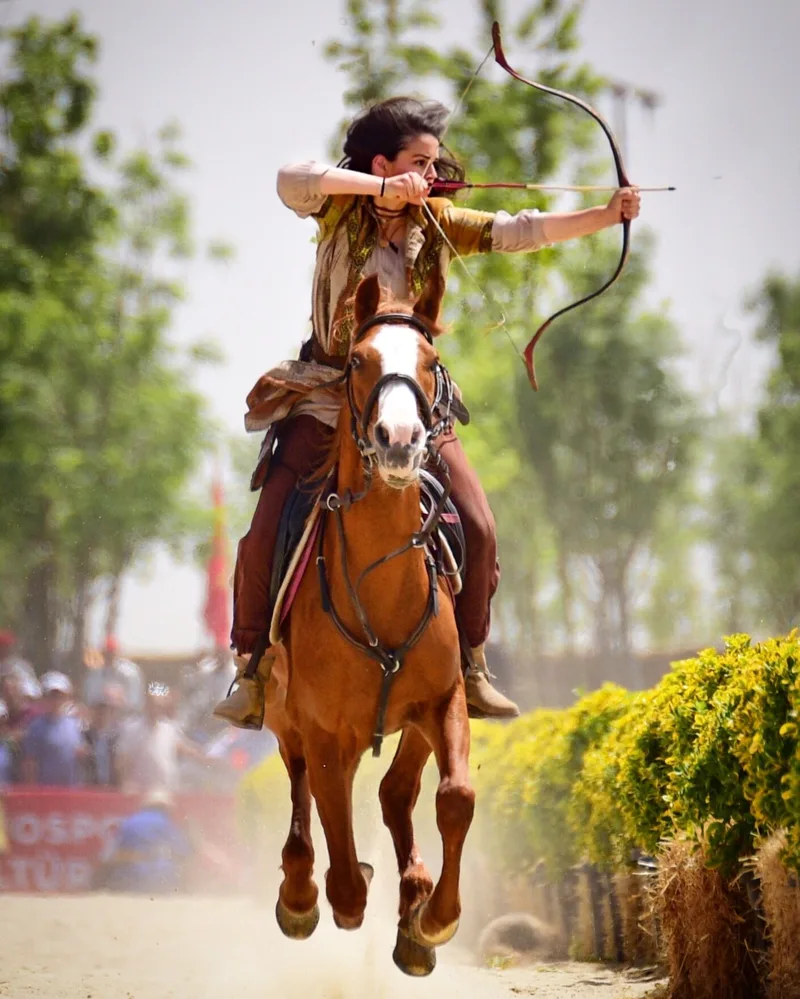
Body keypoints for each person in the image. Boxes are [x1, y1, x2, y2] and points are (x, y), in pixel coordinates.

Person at [215, 96, 640, 729]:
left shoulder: (436, 222)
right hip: (332, 396)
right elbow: (291, 177)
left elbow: (520, 229)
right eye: (419, 163)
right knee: (262, 531)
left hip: (413, 401)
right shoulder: (339, 210)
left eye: (435, 166)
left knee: (480, 524)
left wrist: (606, 215)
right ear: (383, 162)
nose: (432, 176)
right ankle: (251, 669)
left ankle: (470, 666)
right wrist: (382, 186)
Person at [20, 672, 89, 786]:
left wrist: (83, 753)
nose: (55, 700)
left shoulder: (75, 724)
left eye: (59, 696)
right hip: (45, 790)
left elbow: (82, 755)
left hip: (71, 790)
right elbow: (29, 763)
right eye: (52, 695)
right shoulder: (35, 727)